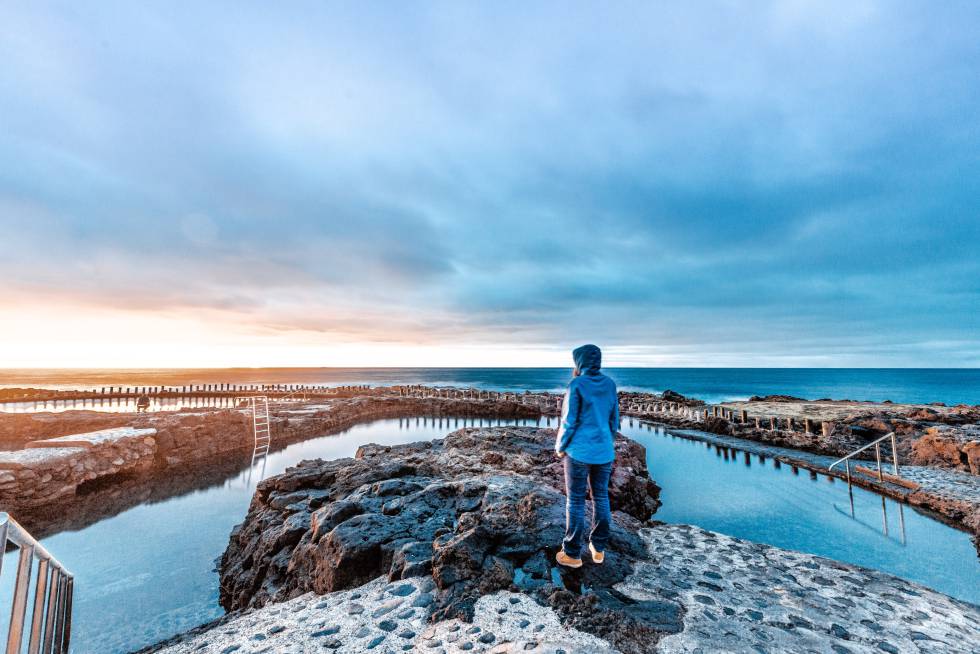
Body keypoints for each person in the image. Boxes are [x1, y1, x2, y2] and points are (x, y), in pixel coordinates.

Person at [554, 343, 619, 568]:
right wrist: (605, 443)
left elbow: (569, 421)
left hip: (578, 452)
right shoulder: (610, 385)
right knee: (601, 497)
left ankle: (572, 554)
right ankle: (598, 549)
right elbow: (614, 422)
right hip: (604, 452)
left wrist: (560, 446)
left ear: (579, 362)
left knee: (576, 500)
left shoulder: (577, 384)